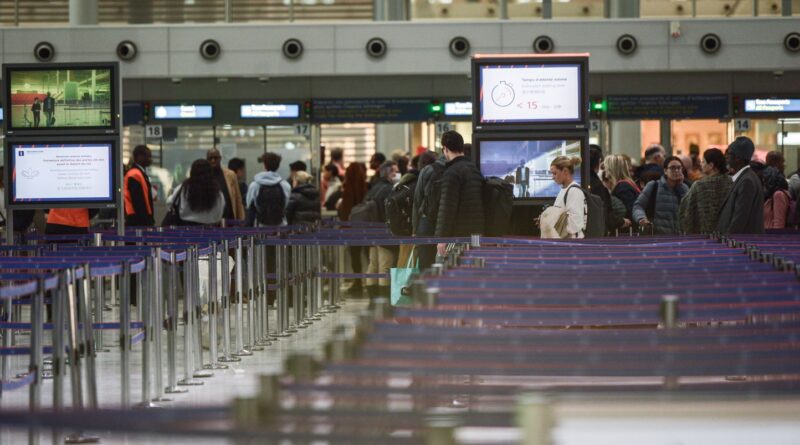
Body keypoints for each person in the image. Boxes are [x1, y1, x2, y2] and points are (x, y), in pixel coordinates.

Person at [435, 131, 485, 257]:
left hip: (458, 234)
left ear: (445, 149)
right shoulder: (474, 169)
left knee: (452, 269)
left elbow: (447, 206)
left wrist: (442, 238)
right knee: (474, 267)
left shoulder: (451, 172)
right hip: (476, 233)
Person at [364, 160, 399, 298]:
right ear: (389, 173)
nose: (397, 174)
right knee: (385, 265)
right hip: (384, 232)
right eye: (395, 171)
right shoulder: (389, 189)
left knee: (373, 264)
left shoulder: (374, 187)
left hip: (372, 231)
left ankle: (372, 297)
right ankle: (383, 298)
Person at [716, 137, 765, 234]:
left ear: (738, 158)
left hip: (742, 243)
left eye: (729, 154)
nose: (726, 157)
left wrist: (729, 241)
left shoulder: (747, 181)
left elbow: (740, 217)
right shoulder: (745, 177)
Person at [678, 148, 732, 234]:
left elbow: (686, 211)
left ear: (711, 165)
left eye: (703, 161)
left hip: (704, 236)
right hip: (728, 235)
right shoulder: (731, 183)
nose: (700, 164)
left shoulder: (700, 186)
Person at [633, 156, 689, 235]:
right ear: (665, 171)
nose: (676, 171)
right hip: (657, 237)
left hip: (680, 238)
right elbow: (638, 206)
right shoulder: (653, 186)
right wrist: (641, 218)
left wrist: (680, 187)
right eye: (672, 168)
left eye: (679, 168)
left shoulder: (685, 188)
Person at [337, 162, 369, 295]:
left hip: (352, 230)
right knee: (368, 256)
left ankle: (358, 282)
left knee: (355, 257)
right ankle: (370, 282)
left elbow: (345, 211)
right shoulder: (366, 187)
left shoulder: (347, 189)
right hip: (366, 228)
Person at [166, 159, 225, 226]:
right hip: (209, 231)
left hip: (185, 231)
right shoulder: (217, 192)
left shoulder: (183, 188)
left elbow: (169, 203)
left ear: (192, 172)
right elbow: (220, 211)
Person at [414, 151, 446, 270]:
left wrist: (415, 228)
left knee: (425, 265)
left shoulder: (427, 170)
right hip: (448, 223)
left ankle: (425, 287)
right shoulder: (458, 169)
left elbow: (417, 200)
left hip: (426, 221)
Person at [541, 156, 586, 239]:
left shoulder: (574, 191)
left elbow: (574, 225)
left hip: (572, 244)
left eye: (555, 173)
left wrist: (550, 221)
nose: (552, 177)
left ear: (565, 171)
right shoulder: (565, 190)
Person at [589, 146, 629, 234]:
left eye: (605, 167)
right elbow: (607, 213)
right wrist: (621, 221)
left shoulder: (622, 187)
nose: (604, 172)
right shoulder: (599, 186)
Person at [246, 152, 292, 227]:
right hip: (281, 226)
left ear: (264, 165)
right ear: (278, 166)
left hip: (260, 226)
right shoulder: (285, 185)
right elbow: (286, 205)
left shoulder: (255, 185)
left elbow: (249, 206)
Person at [206, 149, 245, 221]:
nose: (213, 160)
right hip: (210, 220)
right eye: (210, 158)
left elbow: (238, 199)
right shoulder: (204, 176)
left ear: (220, 158)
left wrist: (241, 220)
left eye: (215, 158)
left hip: (230, 218)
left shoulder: (230, 175)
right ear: (207, 160)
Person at [124, 145, 155, 227]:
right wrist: (146, 220)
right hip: (136, 220)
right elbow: (138, 201)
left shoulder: (139, 173)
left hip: (138, 218)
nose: (150, 159)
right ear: (139, 157)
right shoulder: (134, 174)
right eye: (148, 156)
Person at [604, 154, 640, 225]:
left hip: (627, 231)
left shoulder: (623, 187)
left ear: (612, 169)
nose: (605, 170)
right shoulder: (627, 183)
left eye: (606, 167)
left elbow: (630, 211)